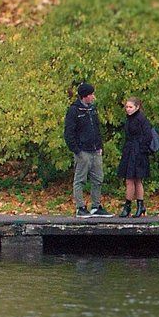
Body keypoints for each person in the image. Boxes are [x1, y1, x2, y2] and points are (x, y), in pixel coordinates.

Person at [64, 83, 113, 218]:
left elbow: (97, 129)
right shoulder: (74, 111)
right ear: (85, 96)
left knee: (98, 179)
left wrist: (100, 146)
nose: (93, 97)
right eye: (91, 94)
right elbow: (69, 133)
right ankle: (80, 207)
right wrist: (77, 150)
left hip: (95, 150)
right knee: (80, 180)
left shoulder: (92, 109)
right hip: (82, 151)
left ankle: (96, 206)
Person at [117, 97, 153, 217]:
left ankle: (138, 205)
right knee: (130, 180)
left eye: (130, 107)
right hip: (129, 150)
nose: (128, 109)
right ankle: (130, 206)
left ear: (137, 107)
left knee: (136, 179)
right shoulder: (129, 119)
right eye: (126, 107)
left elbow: (148, 135)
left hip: (138, 152)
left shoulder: (141, 119)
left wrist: (142, 149)